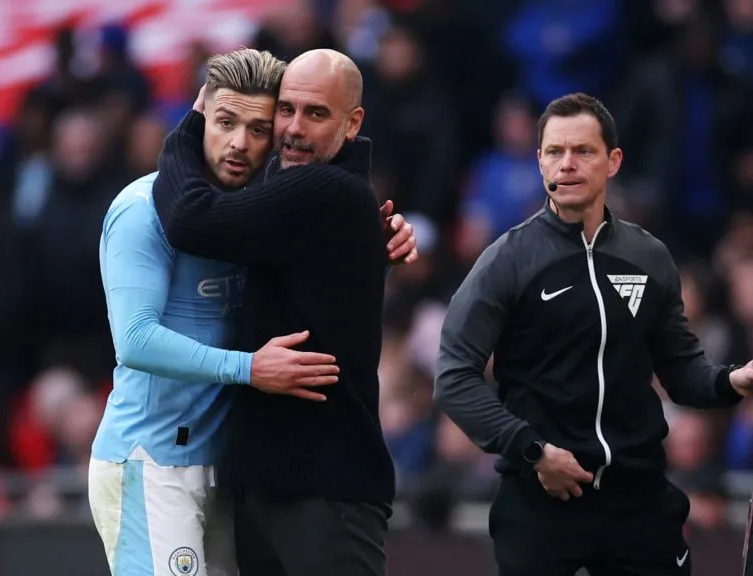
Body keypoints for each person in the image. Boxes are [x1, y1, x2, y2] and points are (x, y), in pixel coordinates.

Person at [89, 48, 417, 576]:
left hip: (234, 472)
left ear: (351, 122)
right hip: (151, 462)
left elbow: (308, 284)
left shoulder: (266, 208)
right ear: (203, 119)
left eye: (258, 126)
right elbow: (134, 340)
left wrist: (370, 254)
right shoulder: (144, 207)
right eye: (224, 122)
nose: (244, 141)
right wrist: (248, 367)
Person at [433, 92, 753, 576]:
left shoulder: (649, 257)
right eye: (555, 152)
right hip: (539, 500)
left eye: (583, 151)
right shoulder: (507, 261)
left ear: (613, 161)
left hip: (638, 498)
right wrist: (534, 452)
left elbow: (682, 370)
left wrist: (732, 382)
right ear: (539, 161)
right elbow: (453, 377)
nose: (567, 164)